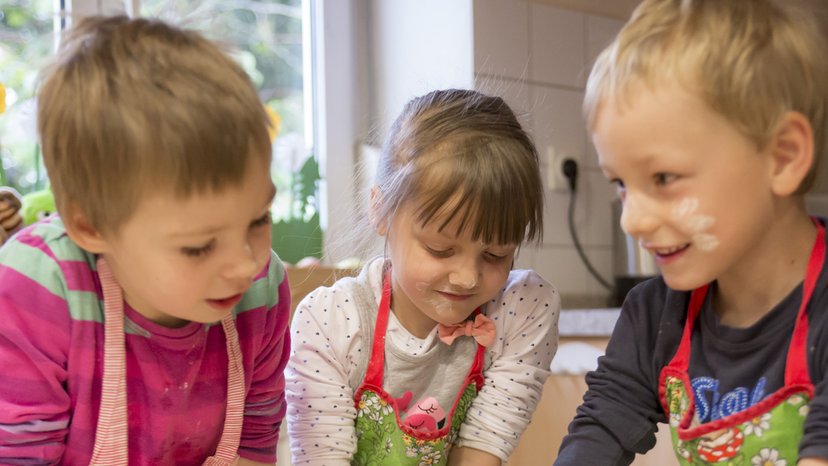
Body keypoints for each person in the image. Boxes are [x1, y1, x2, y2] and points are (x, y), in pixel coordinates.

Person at [0, 15, 290, 465]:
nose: (246, 264)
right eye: (199, 246)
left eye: (259, 219)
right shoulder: (38, 288)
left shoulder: (263, 288)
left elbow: (256, 440)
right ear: (92, 227)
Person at [555, 0, 828, 465]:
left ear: (783, 157)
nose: (631, 221)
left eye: (663, 178)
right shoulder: (655, 317)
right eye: (621, 183)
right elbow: (598, 434)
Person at [285, 89, 560, 465]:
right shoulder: (331, 321)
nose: (467, 278)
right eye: (440, 249)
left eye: (496, 255)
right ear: (381, 210)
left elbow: (482, 452)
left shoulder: (521, 309)